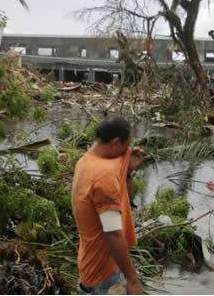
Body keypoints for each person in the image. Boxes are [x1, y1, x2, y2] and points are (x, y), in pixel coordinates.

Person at [72, 116, 150, 295]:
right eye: (126, 146)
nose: (127, 151)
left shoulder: (85, 161)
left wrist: (128, 172)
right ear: (115, 143)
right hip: (104, 276)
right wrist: (133, 280)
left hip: (90, 266)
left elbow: (124, 200)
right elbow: (113, 233)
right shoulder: (104, 176)